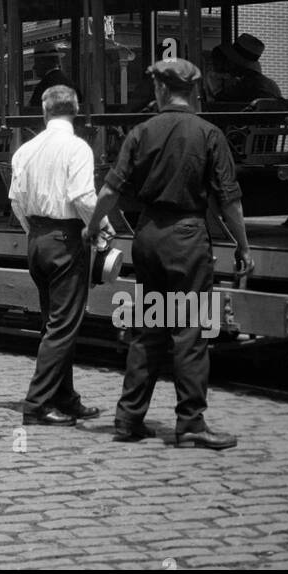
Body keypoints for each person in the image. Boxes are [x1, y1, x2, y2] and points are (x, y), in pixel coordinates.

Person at [87, 59, 249, 449]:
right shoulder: (210, 134)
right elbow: (229, 202)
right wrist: (243, 245)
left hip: (148, 234)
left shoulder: (141, 132)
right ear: (193, 92)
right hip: (188, 236)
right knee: (190, 331)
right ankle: (190, 422)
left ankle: (128, 419)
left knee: (147, 328)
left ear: (161, 90)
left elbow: (110, 191)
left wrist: (93, 226)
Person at [8, 84, 104, 427]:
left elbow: (16, 200)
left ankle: (66, 398)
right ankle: (36, 405)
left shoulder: (26, 150)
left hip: (37, 237)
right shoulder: (77, 148)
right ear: (75, 110)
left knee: (53, 323)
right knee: (63, 326)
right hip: (65, 239)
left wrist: (32, 232)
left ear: (45, 112)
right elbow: (82, 196)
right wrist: (101, 226)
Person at [203, 33, 282, 104]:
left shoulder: (242, 87)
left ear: (234, 63)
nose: (226, 66)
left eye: (228, 61)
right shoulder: (271, 85)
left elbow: (222, 104)